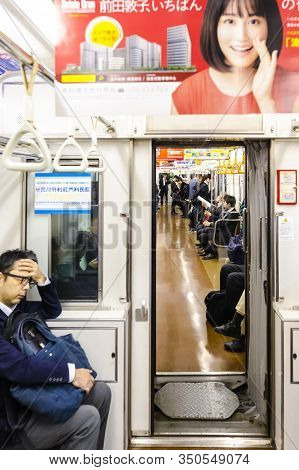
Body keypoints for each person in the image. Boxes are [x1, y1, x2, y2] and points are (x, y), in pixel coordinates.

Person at [0, 249, 111, 450]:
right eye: (20, 280)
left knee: (101, 392)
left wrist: (41, 279)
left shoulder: (18, 310)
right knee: (88, 418)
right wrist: (71, 374)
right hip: (12, 424)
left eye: (29, 282)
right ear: (1, 277)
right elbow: (19, 367)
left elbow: (52, 309)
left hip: (32, 401)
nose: (25, 287)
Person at [171, 0, 299, 114]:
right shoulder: (186, 94)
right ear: (214, 26)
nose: (241, 36)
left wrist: (265, 101)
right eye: (230, 21)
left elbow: (287, 142)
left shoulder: (294, 88)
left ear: (269, 26)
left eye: (253, 21)